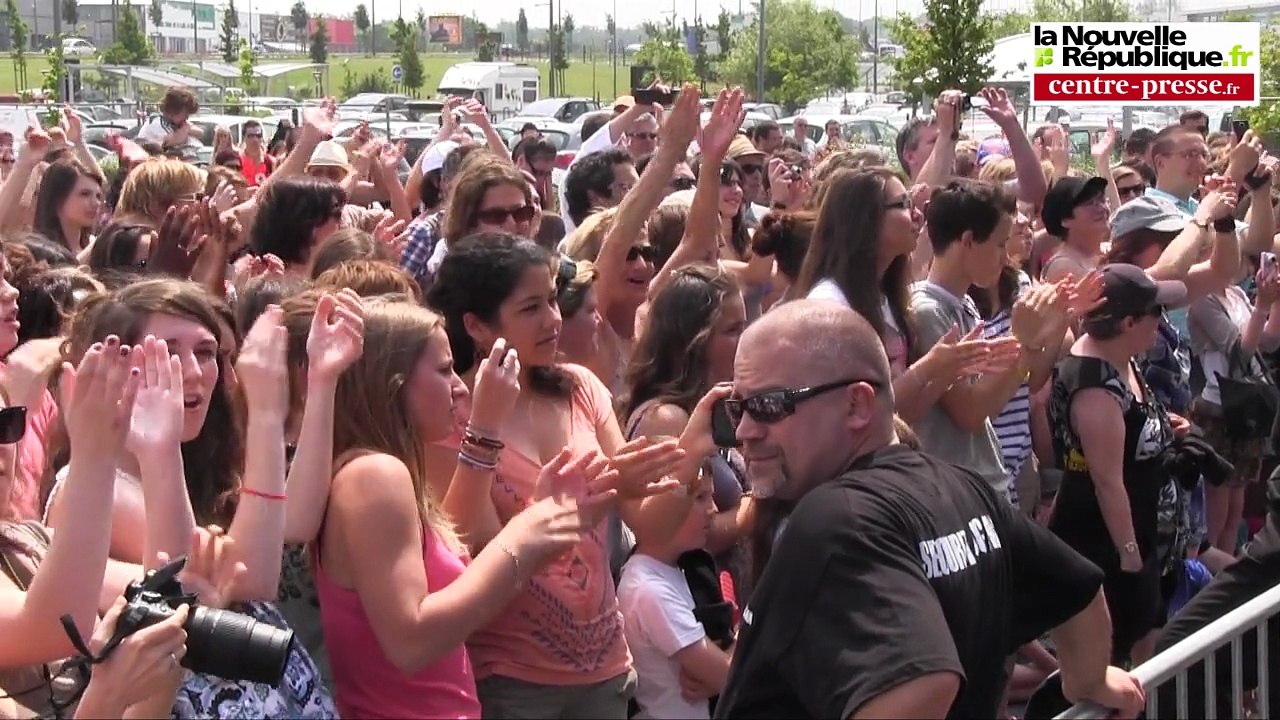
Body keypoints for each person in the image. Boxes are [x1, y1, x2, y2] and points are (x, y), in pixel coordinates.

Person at [712, 299, 1144, 719]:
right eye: (738, 408)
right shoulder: (959, 486)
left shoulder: (838, 518)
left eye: (769, 405)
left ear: (856, 405)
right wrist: (1089, 683)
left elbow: (922, 683)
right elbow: (1077, 592)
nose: (746, 430)